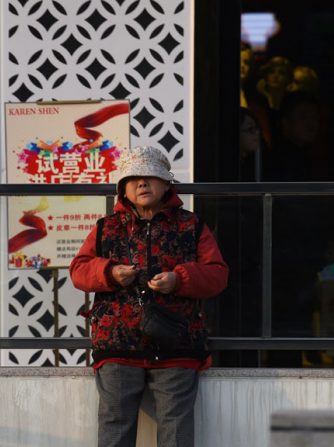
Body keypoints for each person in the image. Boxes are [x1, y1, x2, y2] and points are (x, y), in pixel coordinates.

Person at [69, 146, 229, 447]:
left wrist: (179, 280)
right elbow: (79, 270)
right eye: (134, 178)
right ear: (123, 190)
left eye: (150, 176)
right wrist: (110, 273)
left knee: (176, 429)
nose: (142, 183)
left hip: (177, 345)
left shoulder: (192, 226)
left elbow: (217, 274)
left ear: (166, 184)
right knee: (115, 427)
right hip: (117, 345)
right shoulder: (105, 228)